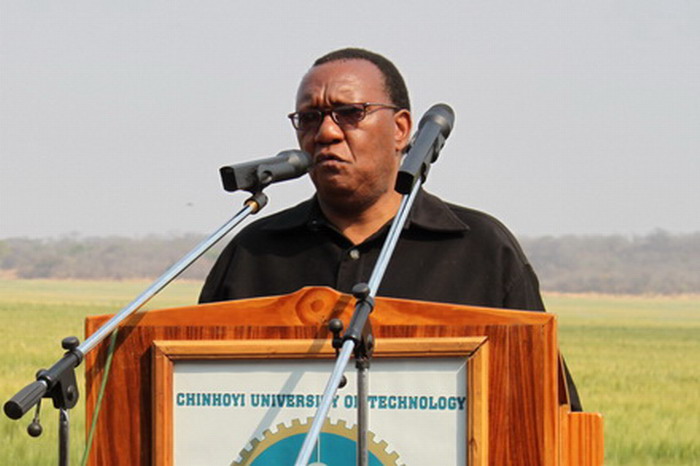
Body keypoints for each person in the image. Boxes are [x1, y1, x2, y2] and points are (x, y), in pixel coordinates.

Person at [199, 47, 581, 410]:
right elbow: (196, 392)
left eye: (350, 112)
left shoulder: (481, 250)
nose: (326, 133)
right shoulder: (253, 252)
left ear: (400, 130)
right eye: (310, 117)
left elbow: (547, 406)